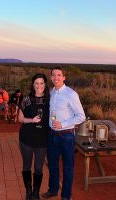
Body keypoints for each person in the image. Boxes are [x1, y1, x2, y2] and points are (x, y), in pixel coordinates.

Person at [42, 67, 86, 200]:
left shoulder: (71, 94)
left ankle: (66, 196)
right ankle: (53, 190)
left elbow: (81, 116)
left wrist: (63, 124)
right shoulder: (52, 93)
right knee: (52, 165)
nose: (56, 78)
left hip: (66, 136)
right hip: (52, 135)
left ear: (64, 77)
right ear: (51, 78)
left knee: (68, 168)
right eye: (53, 75)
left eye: (59, 75)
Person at [18, 74, 50, 200]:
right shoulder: (26, 100)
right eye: (36, 83)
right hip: (26, 138)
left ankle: (36, 191)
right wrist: (31, 120)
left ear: (45, 84)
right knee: (26, 165)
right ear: (33, 85)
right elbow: (20, 118)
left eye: (41, 83)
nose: (39, 86)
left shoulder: (50, 100)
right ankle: (28, 191)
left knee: (38, 167)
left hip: (42, 139)